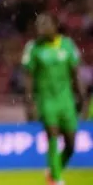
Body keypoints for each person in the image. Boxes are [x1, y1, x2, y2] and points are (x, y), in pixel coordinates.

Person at [22, 13, 85, 185]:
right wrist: (30, 103)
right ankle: (56, 180)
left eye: (44, 24)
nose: (40, 29)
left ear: (55, 25)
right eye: (38, 25)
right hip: (46, 100)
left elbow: (76, 74)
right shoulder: (33, 48)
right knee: (52, 136)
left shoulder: (68, 45)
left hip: (66, 101)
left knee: (71, 144)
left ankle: (53, 171)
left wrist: (82, 99)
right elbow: (28, 77)